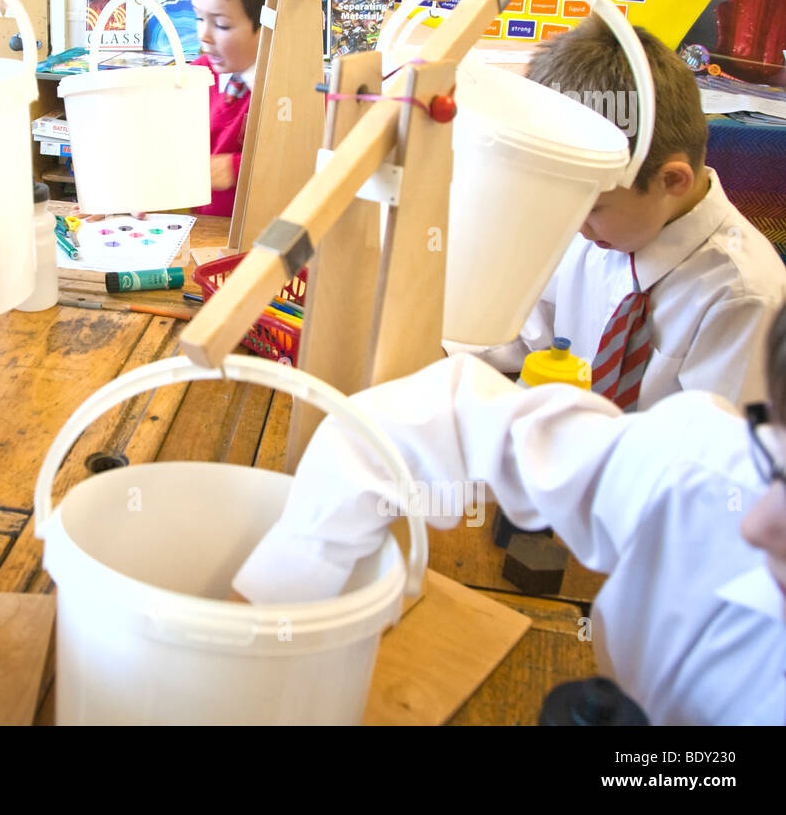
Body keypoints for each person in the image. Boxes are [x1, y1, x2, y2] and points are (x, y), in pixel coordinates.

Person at [233, 303, 786, 725]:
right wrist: (274, 602)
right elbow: (436, 417)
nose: (755, 524)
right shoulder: (714, 470)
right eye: (775, 460)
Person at [457, 14, 786, 411]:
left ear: (672, 181)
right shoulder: (599, 228)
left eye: (591, 207)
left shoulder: (743, 298)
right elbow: (521, 331)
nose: (572, 226)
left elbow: (726, 455)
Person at [189, 0, 291, 218]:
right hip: (204, 230)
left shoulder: (292, 88)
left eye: (221, 24)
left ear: (269, 25)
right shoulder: (196, 75)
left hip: (260, 238)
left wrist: (236, 168)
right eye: (199, 18)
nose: (203, 36)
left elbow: (302, 162)